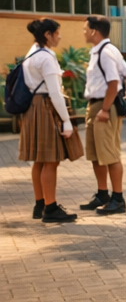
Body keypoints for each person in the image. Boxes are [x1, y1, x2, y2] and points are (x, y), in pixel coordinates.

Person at [19, 18, 82, 223]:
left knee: (39, 159)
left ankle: (40, 204)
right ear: (48, 35)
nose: (59, 37)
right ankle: (51, 208)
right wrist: (66, 120)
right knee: (50, 160)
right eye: (57, 33)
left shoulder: (31, 54)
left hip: (32, 108)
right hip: (46, 107)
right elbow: (55, 92)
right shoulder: (46, 57)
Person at [80, 15, 126, 215]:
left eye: (85, 28)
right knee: (96, 155)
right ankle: (102, 194)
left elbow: (113, 82)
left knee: (110, 154)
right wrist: (124, 96)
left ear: (94, 31)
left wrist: (106, 108)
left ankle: (118, 199)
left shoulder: (105, 52)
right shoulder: (102, 50)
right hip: (97, 105)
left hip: (104, 106)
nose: (83, 32)